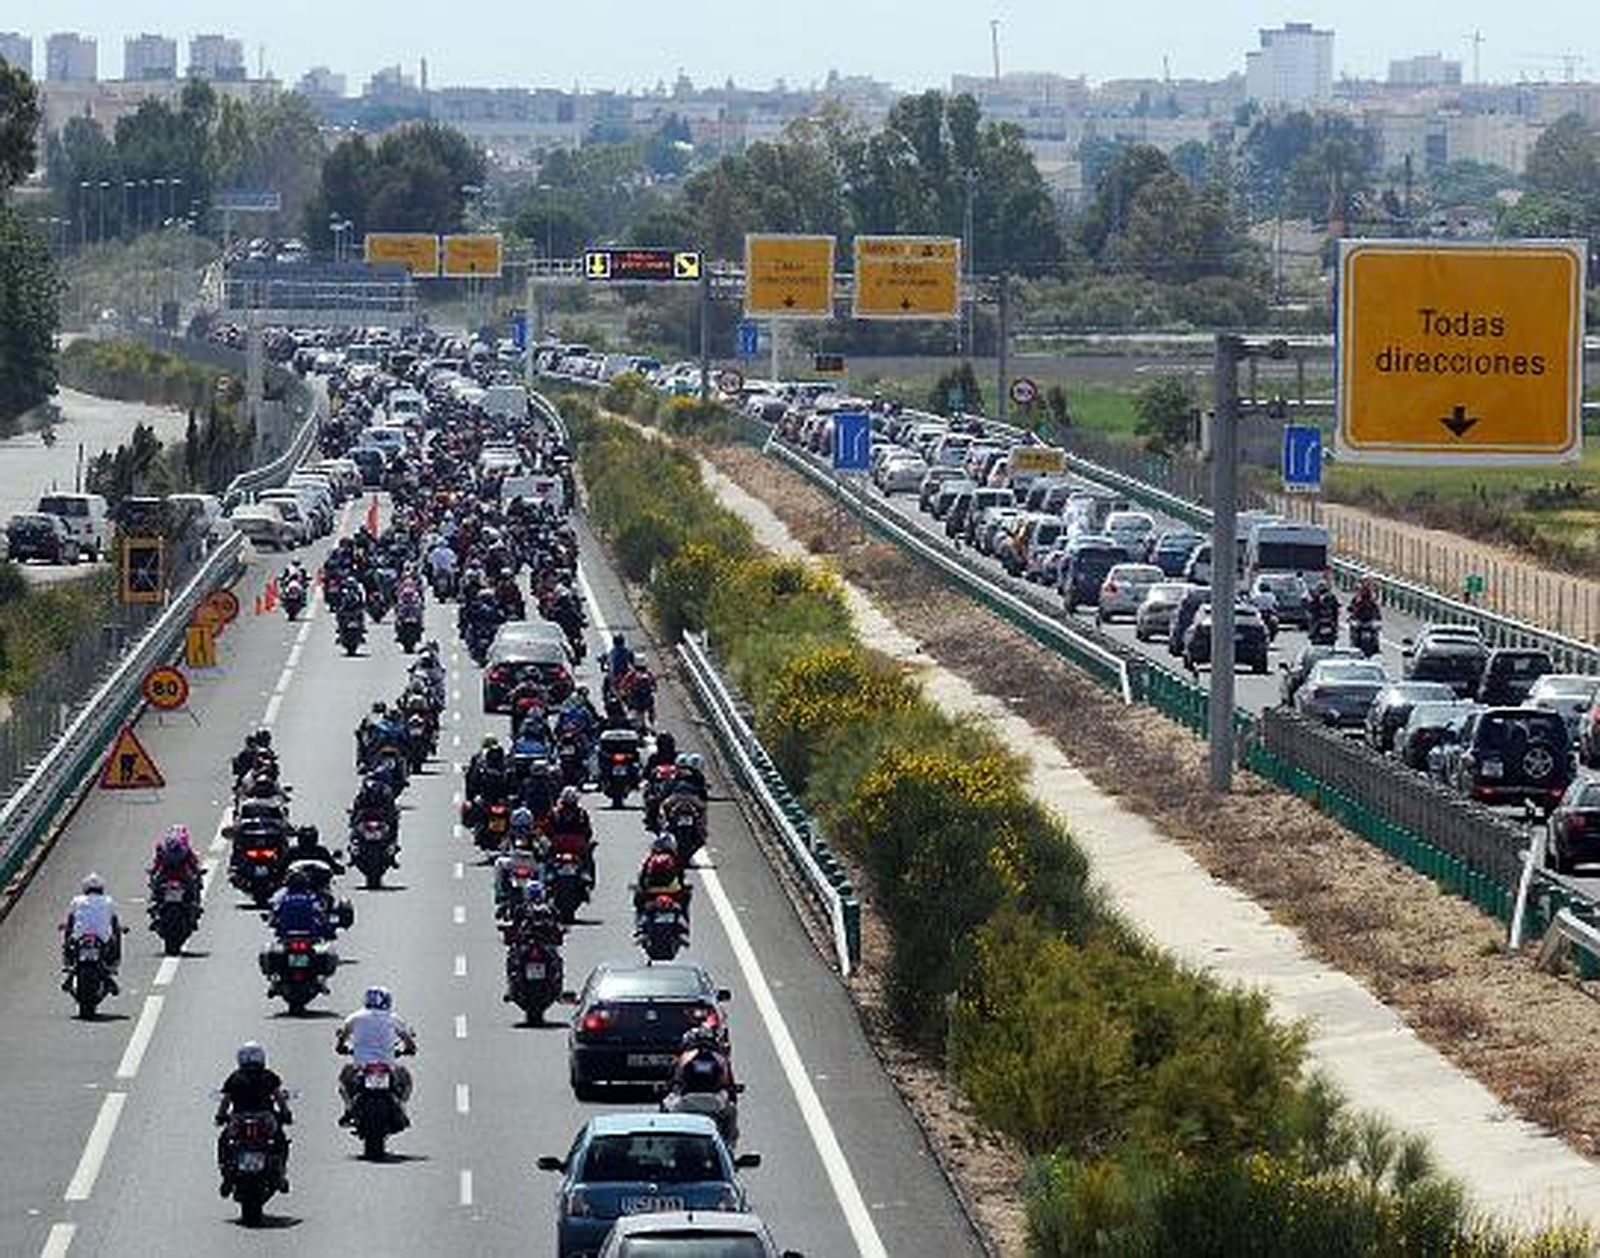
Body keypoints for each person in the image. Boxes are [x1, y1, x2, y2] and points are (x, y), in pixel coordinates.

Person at [215, 1041, 292, 1197]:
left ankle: (226, 1176)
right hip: (265, 1118)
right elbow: (279, 1098)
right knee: (280, 1139)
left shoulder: (235, 1077)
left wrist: (220, 1116)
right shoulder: (268, 1076)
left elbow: (226, 1101)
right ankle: (280, 1174)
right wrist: (286, 1113)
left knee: (224, 1140)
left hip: (239, 1119)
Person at [336, 987, 417, 1125]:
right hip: (387, 1063)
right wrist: (409, 1049)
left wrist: (341, 1047)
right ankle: (402, 1108)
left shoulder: (355, 1017)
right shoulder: (393, 1018)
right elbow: (408, 1041)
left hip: (361, 1064)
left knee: (344, 1078)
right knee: (406, 1077)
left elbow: (343, 1035)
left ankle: (348, 1108)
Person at [62, 873, 122, 994]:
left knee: (68, 938)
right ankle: (114, 962)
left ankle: (67, 959)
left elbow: (70, 921)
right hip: (103, 938)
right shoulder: (108, 901)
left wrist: (68, 936)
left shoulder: (77, 900)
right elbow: (114, 923)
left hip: (79, 937)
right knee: (117, 936)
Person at [546, 785, 596, 887]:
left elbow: (587, 831)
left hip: (572, 846)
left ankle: (585, 872)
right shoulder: (557, 813)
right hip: (562, 845)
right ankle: (549, 872)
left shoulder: (580, 814)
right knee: (547, 855)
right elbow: (588, 831)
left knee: (587, 853)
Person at [634, 834, 689, 921]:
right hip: (672, 891)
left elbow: (642, 875)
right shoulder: (675, 859)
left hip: (651, 891)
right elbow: (681, 877)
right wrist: (683, 888)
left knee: (639, 902)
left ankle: (638, 920)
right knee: (686, 898)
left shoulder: (650, 858)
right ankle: (685, 918)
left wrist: (641, 888)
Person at [671, 1025, 736, 1097]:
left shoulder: (687, 1056)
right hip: (694, 1097)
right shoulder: (719, 1057)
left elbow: (677, 1076)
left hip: (703, 1097)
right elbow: (726, 1079)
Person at [269, 867, 331, 942]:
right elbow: (320, 911)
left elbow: (274, 906)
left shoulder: (282, 895)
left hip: (287, 932)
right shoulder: (312, 897)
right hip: (310, 932)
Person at [147, 823, 202, 898]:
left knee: (156, 884)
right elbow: (193, 864)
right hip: (178, 875)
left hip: (171, 875)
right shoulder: (185, 851)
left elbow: (157, 864)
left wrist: (153, 872)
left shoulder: (162, 849)